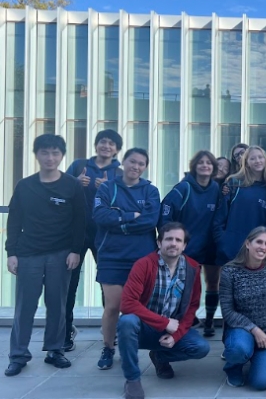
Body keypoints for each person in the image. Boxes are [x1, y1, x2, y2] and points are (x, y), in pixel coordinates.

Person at [4, 134, 85, 377]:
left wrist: (75, 251)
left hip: (61, 254)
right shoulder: (25, 186)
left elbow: (80, 221)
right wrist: (11, 253)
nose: (50, 157)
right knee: (25, 307)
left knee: (57, 305)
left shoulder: (72, 185)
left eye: (55, 153)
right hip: (28, 254)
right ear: (37, 155)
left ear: (62, 156)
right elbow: (14, 220)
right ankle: (18, 355)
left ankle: (55, 350)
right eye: (45, 152)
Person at [116, 222, 210, 399]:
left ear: (184, 245)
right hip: (144, 327)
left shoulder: (193, 268)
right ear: (159, 243)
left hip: (170, 330)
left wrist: (176, 336)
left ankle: (160, 357)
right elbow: (127, 304)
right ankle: (132, 379)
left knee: (201, 348)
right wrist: (164, 323)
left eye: (178, 240)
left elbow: (191, 308)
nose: (173, 243)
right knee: (126, 321)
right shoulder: (143, 265)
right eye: (168, 239)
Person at [93, 148, 161, 370]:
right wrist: (130, 216)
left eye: (141, 164)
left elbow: (149, 222)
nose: (136, 166)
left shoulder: (150, 191)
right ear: (123, 162)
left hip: (141, 257)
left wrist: (118, 222)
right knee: (113, 306)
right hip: (111, 256)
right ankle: (108, 348)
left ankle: (128, 348)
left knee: (134, 308)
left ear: (145, 167)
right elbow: (100, 216)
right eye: (133, 161)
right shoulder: (107, 187)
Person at [64, 129, 124, 352]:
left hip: (105, 236)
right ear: (96, 145)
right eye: (102, 142)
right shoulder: (78, 166)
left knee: (108, 285)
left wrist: (108, 189)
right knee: (69, 284)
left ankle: (109, 331)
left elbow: (124, 203)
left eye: (111, 143)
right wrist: (74, 182)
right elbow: (59, 190)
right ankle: (66, 331)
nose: (106, 146)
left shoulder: (119, 173)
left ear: (116, 149)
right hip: (76, 234)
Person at [159, 151, 225, 337]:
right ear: (194, 166)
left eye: (208, 163)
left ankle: (209, 321)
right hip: (188, 247)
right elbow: (165, 213)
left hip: (210, 244)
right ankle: (184, 322)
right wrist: (170, 240)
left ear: (213, 168)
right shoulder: (183, 188)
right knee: (186, 286)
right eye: (201, 162)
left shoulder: (216, 189)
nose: (205, 165)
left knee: (213, 282)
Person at [220, 227, 266, 390]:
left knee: (260, 383)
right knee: (239, 349)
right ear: (247, 244)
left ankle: (256, 357)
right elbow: (227, 312)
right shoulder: (229, 271)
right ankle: (233, 367)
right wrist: (254, 329)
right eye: (259, 242)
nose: (263, 247)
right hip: (241, 330)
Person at [216, 146, 266, 266]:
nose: (257, 161)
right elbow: (219, 217)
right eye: (253, 158)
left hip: (257, 255)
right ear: (246, 163)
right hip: (230, 252)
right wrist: (222, 241)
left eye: (260, 157)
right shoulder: (234, 183)